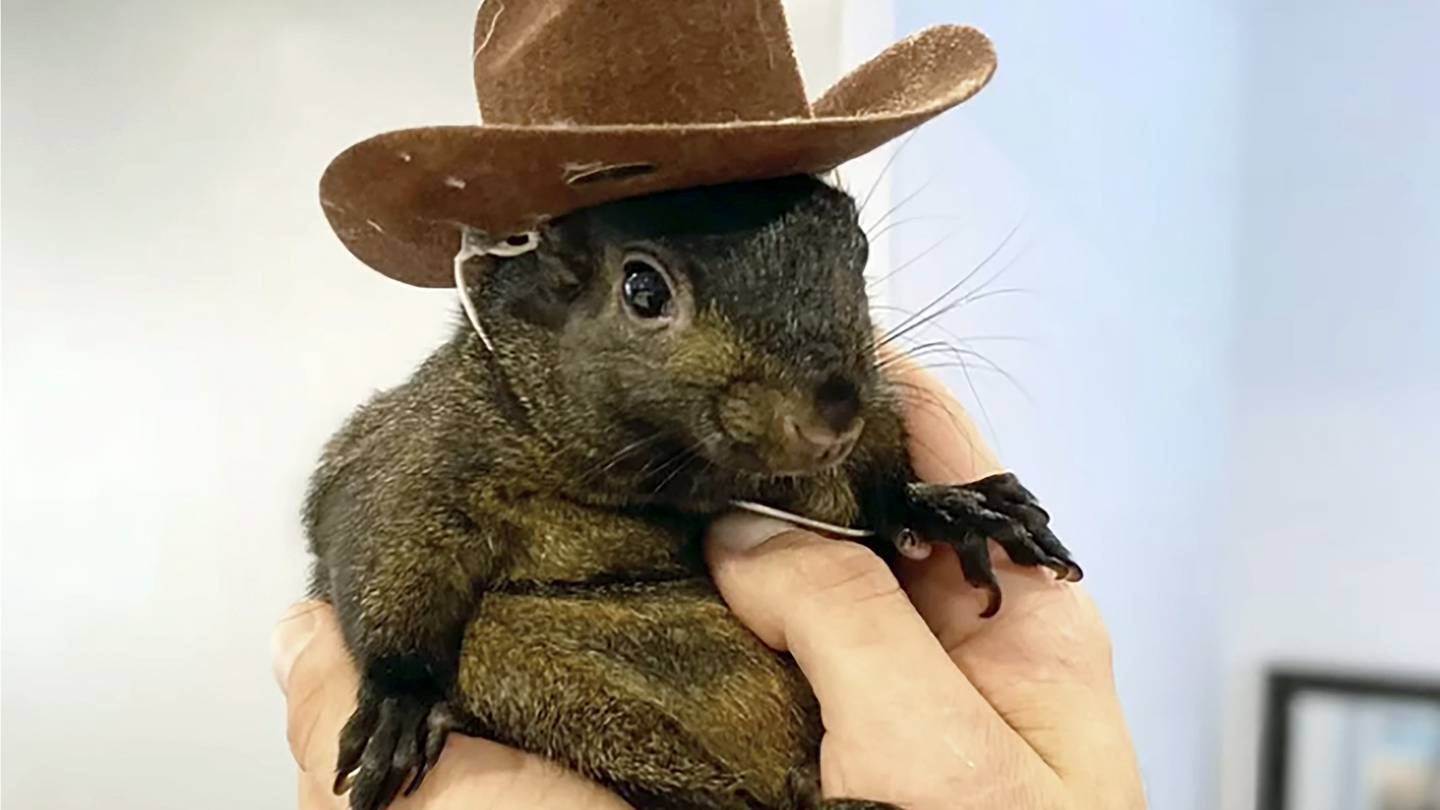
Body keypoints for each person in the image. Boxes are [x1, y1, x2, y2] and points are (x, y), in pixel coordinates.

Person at [271, 360, 1147, 809]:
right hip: (581, 676)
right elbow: (367, 512)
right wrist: (401, 676)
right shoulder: (471, 426)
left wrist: (908, 505)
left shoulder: (842, 401)